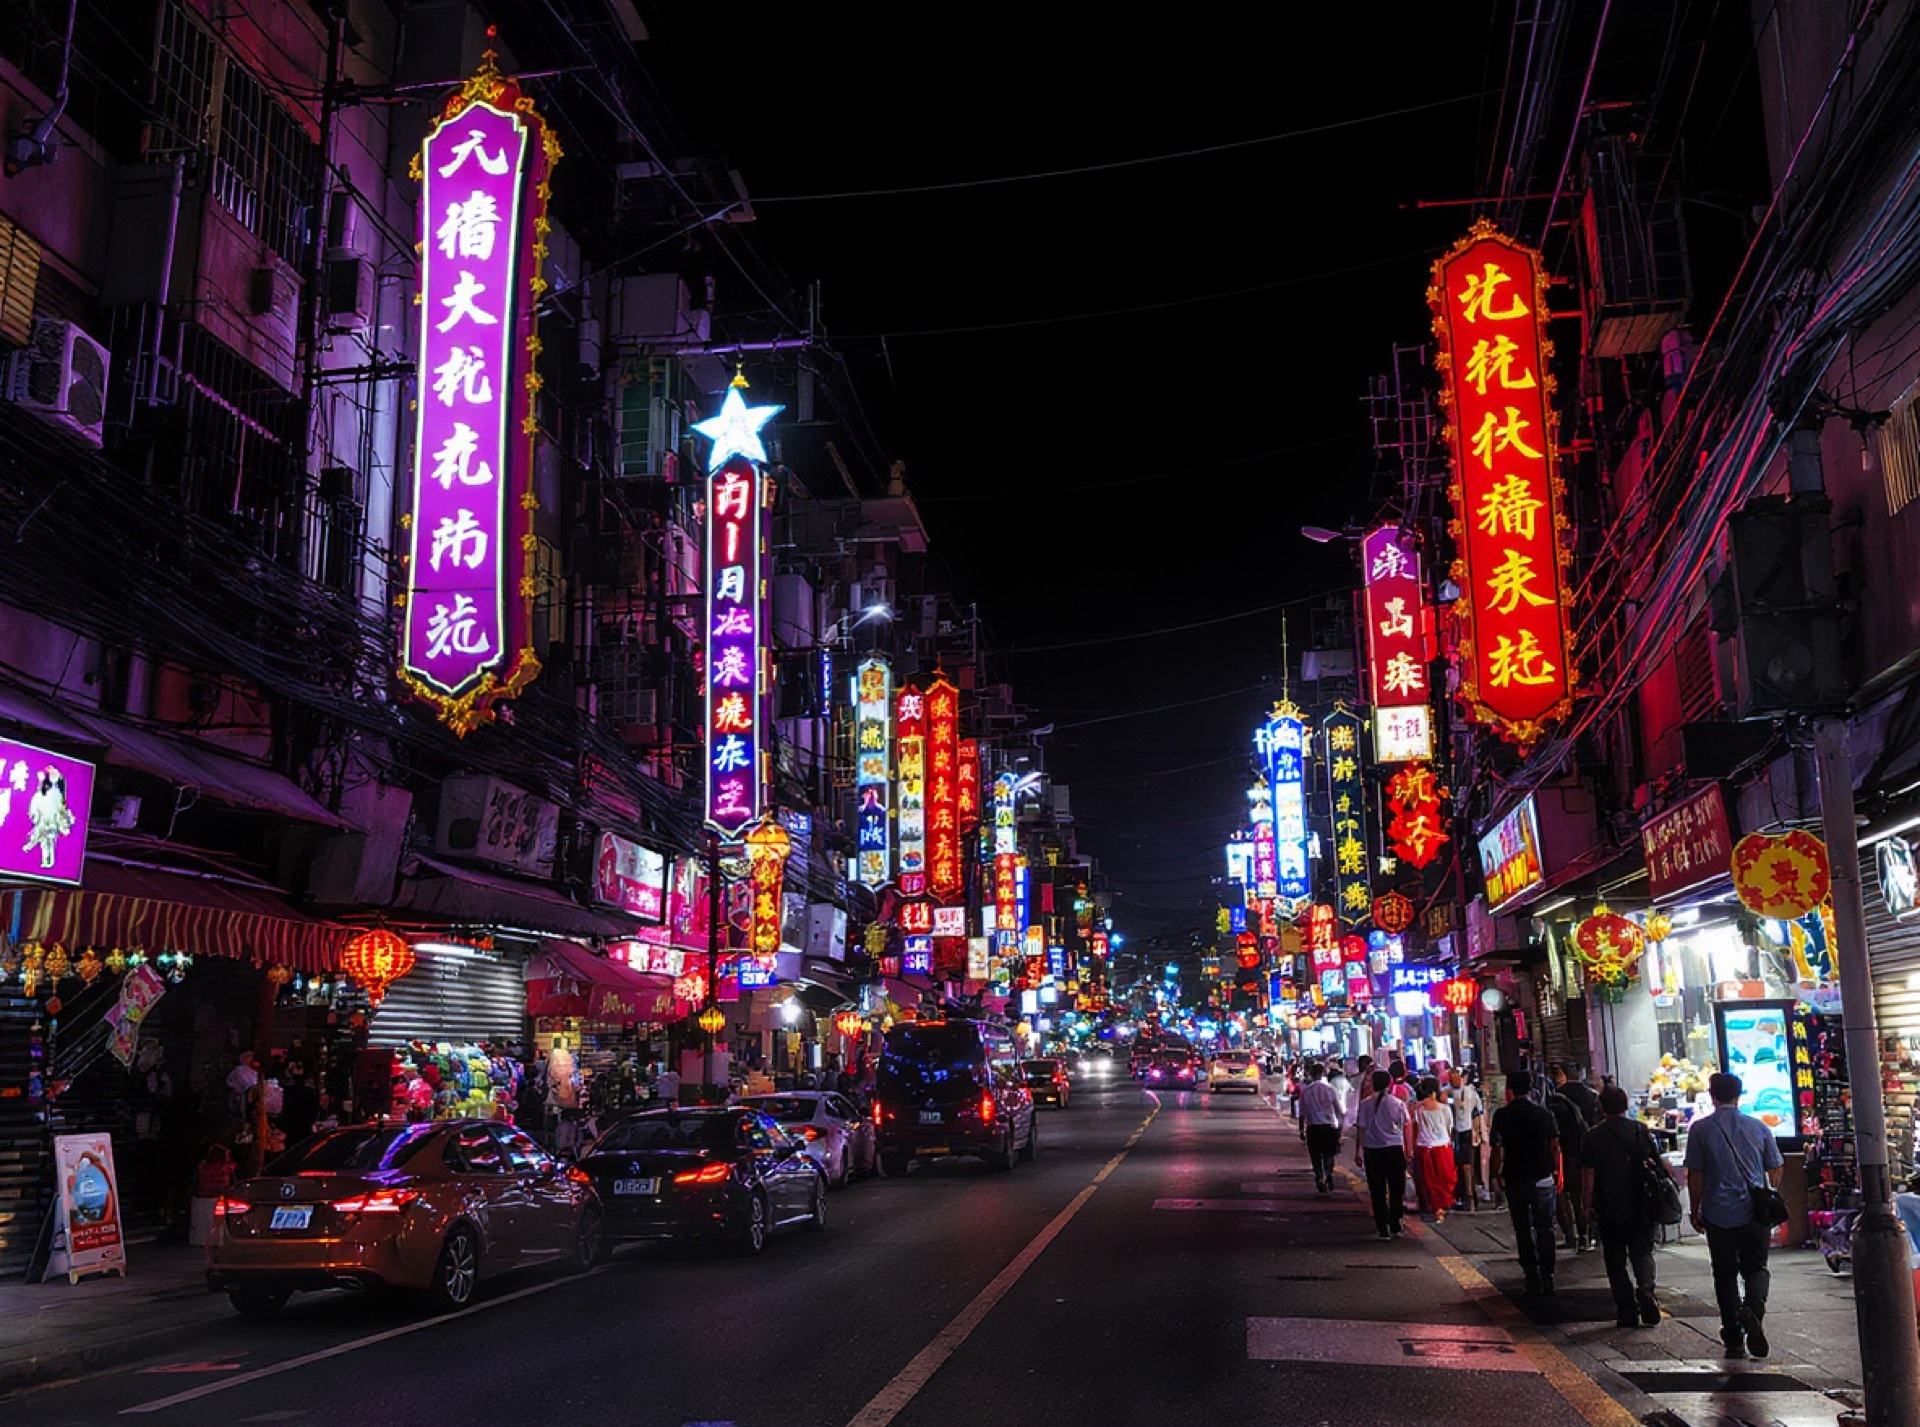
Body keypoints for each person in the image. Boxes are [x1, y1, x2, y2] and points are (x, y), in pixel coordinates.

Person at [1684, 1071, 1785, 1359]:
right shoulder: (1758, 1127)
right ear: (1738, 1094)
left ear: (1712, 1094)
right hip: (1754, 1212)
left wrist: (1695, 1209)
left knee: (1725, 1274)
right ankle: (1752, 1309)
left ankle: (1732, 1332)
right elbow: (1776, 1166)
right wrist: (1767, 1190)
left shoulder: (1701, 1129)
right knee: (1756, 1268)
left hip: (1718, 1213)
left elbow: (1696, 1174)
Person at [1581, 1084, 1665, 1329]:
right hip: (1640, 1202)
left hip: (1609, 1206)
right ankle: (1647, 1289)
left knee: (1615, 1259)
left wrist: (1587, 1205)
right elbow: (1655, 1164)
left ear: (1601, 1108)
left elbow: (1589, 1175)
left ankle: (1626, 1310)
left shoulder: (1593, 1136)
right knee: (1642, 1251)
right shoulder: (1641, 1130)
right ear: (1626, 1105)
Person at [1490, 1069, 1562, 1295]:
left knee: (1523, 1228)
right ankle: (1548, 1273)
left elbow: (1497, 1149)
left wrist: (1495, 1175)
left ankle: (1531, 1273)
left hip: (1515, 1179)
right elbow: (1554, 1146)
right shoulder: (1543, 1114)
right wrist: (1558, 1172)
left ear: (1509, 1090)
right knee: (1545, 1228)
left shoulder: (1502, 1116)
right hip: (1542, 1179)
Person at [1354, 1069, 1412, 1240]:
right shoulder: (1397, 1103)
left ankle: (1382, 1226)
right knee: (1396, 1189)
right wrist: (1408, 1150)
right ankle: (1396, 1223)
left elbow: (1361, 1129)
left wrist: (1359, 1150)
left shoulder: (1365, 1104)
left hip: (1373, 1151)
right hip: (1394, 1151)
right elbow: (1406, 1127)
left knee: (1377, 1190)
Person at [1547, 1075, 1592, 1251]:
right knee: (1578, 1198)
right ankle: (1584, 1236)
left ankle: (1570, 1236)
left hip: (1560, 1158)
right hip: (1577, 1157)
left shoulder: (1553, 1104)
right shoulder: (1584, 1101)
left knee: (1561, 1199)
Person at [1409, 1076, 1457, 1222]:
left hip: (1424, 1147)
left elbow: (1414, 1128)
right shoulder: (1445, 1109)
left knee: (1427, 1180)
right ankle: (1440, 1208)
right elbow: (1449, 1128)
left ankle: (1429, 1206)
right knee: (1444, 1179)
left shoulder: (1418, 1110)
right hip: (1442, 1147)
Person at [1298, 1061, 1345, 1196]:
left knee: (1315, 1156)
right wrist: (1340, 1129)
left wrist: (1301, 1130)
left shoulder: (1306, 1091)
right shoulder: (1330, 1089)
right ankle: (1328, 1174)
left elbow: (1302, 1113)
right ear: (1324, 1073)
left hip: (1313, 1128)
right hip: (1329, 1127)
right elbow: (1339, 1111)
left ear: (1311, 1074)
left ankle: (1319, 1176)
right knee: (1329, 1155)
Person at [1449, 1065, 1485, 1212]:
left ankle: (1469, 1196)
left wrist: (1477, 1132)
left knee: (1467, 1165)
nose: (1454, 1079)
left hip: (1466, 1132)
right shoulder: (1451, 1093)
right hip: (1458, 1132)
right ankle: (1465, 1196)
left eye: (1456, 1076)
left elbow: (1478, 1113)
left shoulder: (1467, 1092)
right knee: (1462, 1165)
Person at [1552, 1061, 1600, 1127]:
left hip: (1566, 1135)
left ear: (1565, 1074)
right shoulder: (1593, 1095)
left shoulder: (1557, 1095)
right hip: (1589, 1133)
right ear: (1581, 1074)